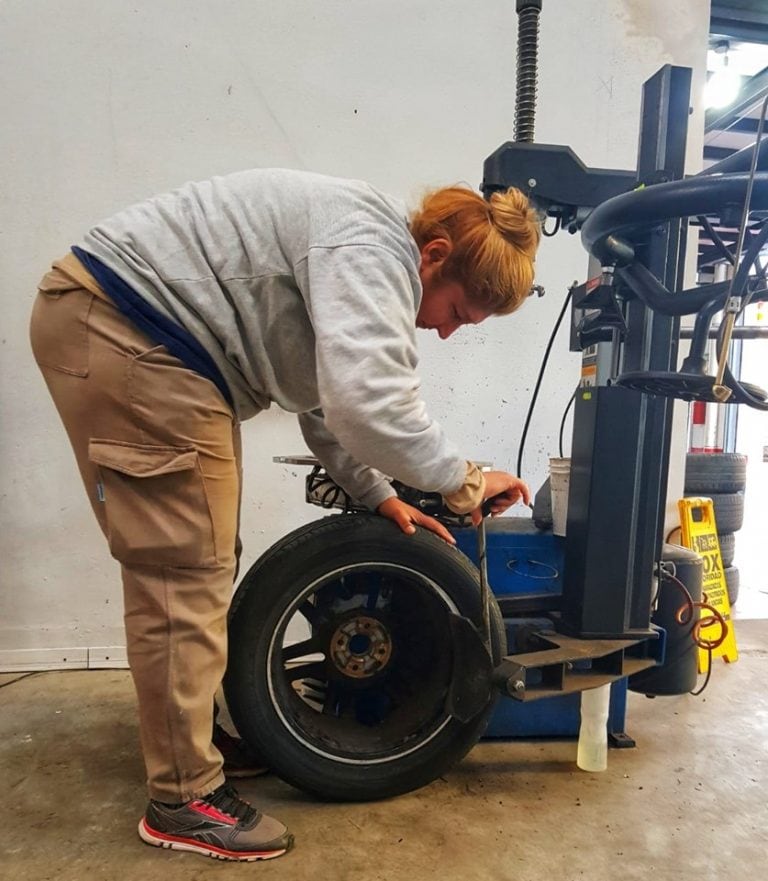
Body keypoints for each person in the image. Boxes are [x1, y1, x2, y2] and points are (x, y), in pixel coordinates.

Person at [29, 168, 540, 861]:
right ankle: (183, 798)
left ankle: (192, 744)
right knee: (185, 571)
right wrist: (464, 481)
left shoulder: (364, 250)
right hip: (131, 330)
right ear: (436, 256)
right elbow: (371, 404)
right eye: (456, 312)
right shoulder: (371, 251)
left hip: (138, 332)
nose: (447, 331)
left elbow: (329, 406)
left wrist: (379, 494)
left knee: (202, 555)